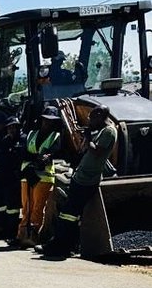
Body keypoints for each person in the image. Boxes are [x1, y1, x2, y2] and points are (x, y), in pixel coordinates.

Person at [37, 106, 115, 259]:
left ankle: (60, 247)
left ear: (100, 115)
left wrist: (89, 137)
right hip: (81, 177)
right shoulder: (100, 132)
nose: (90, 121)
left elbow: (97, 152)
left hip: (87, 180)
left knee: (69, 214)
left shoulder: (109, 132)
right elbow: (83, 150)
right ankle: (61, 245)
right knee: (68, 214)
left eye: (92, 118)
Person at [16, 106, 61, 247]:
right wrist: (38, 158)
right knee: (26, 207)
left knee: (37, 208)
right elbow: (23, 152)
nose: (48, 123)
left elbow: (51, 154)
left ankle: (34, 236)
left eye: (51, 121)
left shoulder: (56, 137)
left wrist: (35, 158)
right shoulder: (31, 135)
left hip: (44, 178)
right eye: (46, 120)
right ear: (41, 120)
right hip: (27, 175)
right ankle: (21, 236)